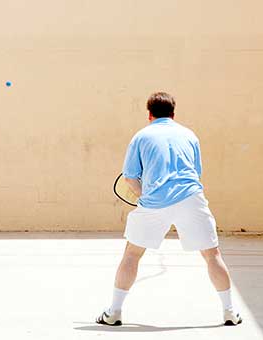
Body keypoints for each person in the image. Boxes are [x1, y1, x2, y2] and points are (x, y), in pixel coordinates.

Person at [96, 92, 242, 326]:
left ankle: (114, 313)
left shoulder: (141, 137)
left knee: (132, 254)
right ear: (173, 114)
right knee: (212, 255)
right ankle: (230, 313)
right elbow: (196, 173)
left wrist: (145, 196)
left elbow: (130, 178)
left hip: (154, 203)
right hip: (191, 198)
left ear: (150, 115)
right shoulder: (189, 135)